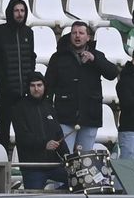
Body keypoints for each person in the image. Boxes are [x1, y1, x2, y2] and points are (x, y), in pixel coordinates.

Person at [44, 22, 118, 154]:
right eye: (74, 33)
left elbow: (112, 73)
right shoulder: (58, 57)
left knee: (85, 158)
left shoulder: (97, 55)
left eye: (81, 33)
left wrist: (94, 60)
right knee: (65, 155)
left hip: (90, 115)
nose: (77, 36)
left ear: (88, 37)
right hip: (65, 115)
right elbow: (48, 86)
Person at [0, 0, 38, 148]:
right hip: (6, 92)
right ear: (10, 12)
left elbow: (31, 57)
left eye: (22, 10)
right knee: (3, 131)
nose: (19, 14)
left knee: (24, 132)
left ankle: (23, 165)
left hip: (24, 93)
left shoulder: (29, 32)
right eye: (16, 10)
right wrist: (3, 80)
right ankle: (2, 165)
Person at [12, 74, 67, 190]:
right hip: (32, 167)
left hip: (53, 164)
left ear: (44, 86)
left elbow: (58, 134)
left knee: (78, 180)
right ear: (28, 87)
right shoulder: (19, 107)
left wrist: (66, 155)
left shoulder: (49, 106)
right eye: (32, 86)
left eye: (39, 85)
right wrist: (44, 144)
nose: (36, 89)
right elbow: (22, 137)